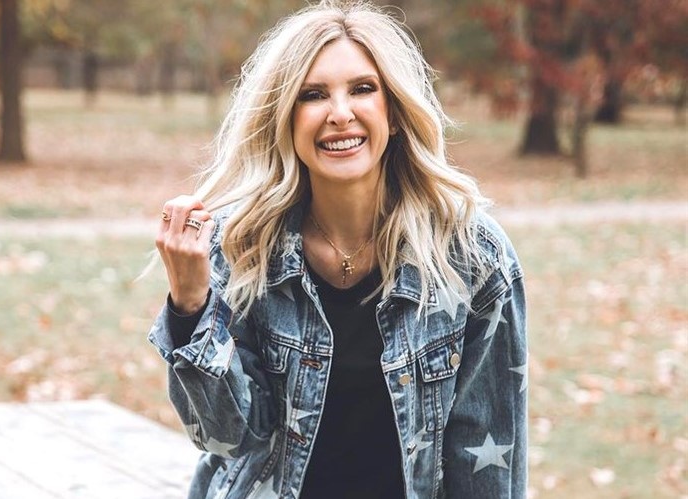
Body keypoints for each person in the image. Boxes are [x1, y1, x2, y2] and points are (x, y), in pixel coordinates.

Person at [149, 1, 527, 497]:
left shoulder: (473, 257)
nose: (341, 114)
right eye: (313, 95)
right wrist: (191, 305)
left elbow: (487, 461)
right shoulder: (240, 248)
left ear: (395, 113)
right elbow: (226, 437)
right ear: (285, 119)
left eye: (363, 89)